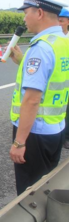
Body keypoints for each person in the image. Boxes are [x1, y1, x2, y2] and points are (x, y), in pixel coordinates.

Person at [8, 0, 69, 195]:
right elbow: (52, 78)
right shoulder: (63, 42)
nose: (25, 19)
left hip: (35, 134)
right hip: (55, 128)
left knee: (30, 196)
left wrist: (19, 142)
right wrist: (22, 62)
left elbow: (32, 100)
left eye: (26, 13)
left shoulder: (41, 48)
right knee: (46, 189)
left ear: (39, 13)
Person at [58, 8, 69, 149]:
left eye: (62, 21)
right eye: (57, 20)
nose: (59, 23)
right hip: (57, 78)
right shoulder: (54, 37)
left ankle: (66, 137)